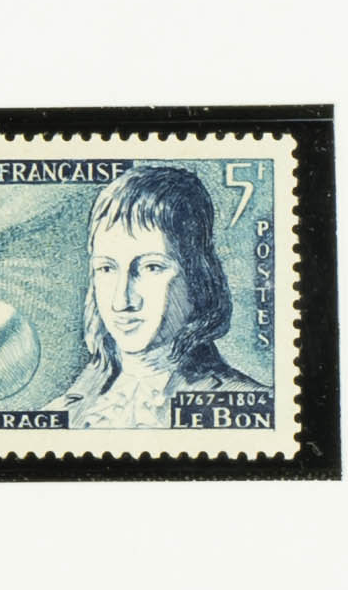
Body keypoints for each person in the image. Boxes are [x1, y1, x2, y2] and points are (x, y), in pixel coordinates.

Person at [60, 163, 279, 432]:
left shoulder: (253, 407)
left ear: (197, 275)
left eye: (151, 267)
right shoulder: (64, 410)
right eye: (106, 268)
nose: (122, 301)